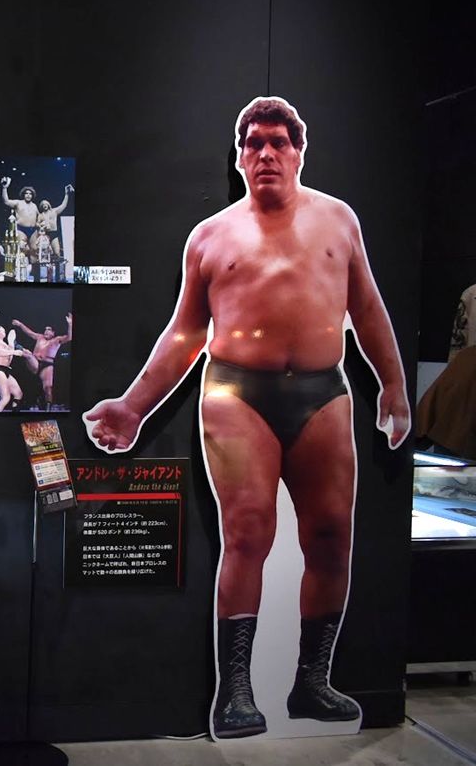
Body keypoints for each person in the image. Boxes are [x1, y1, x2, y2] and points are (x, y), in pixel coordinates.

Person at [81, 97, 410, 740]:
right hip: (237, 392)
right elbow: (185, 333)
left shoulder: (339, 221)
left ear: (299, 152)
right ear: (238, 157)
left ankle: (312, 682)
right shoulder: (210, 236)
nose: (265, 154)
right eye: (253, 143)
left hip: (324, 391)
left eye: (278, 142)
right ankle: (235, 692)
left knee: (331, 536)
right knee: (248, 533)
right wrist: (133, 406)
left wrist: (393, 383)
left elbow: (367, 308)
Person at [12, 313, 73, 410]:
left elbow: (69, 337)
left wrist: (70, 324)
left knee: (48, 388)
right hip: (34, 362)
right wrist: (20, 324)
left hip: (47, 365)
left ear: (53, 333)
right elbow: (29, 332)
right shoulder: (39, 337)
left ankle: (48, 409)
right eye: (45, 329)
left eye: (49, 329)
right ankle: (17, 347)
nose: (46, 331)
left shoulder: (57, 340)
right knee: (29, 355)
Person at [0, 324, 25, 411]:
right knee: (5, 397)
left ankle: (14, 413)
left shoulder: (6, 344)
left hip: (6, 370)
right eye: (3, 330)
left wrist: (11, 345)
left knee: (18, 394)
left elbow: (9, 360)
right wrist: (13, 352)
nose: (4, 332)